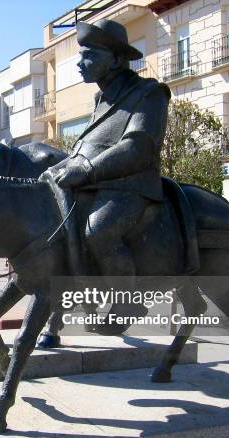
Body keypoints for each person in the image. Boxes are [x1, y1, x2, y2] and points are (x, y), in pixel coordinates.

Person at [42, 19, 170, 287]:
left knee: (98, 230)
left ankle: (126, 303)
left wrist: (87, 170)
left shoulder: (150, 93)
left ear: (115, 60)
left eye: (88, 56)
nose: (79, 63)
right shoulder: (101, 100)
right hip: (96, 186)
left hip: (131, 186)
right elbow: (86, 147)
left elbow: (139, 147)